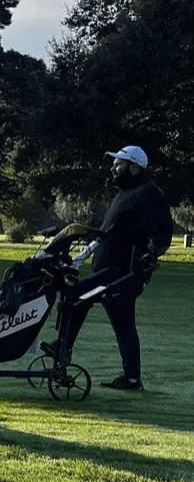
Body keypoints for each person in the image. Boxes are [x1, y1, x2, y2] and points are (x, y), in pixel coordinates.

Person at [48, 146, 172, 391]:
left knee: (77, 295)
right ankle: (132, 379)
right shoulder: (125, 194)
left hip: (123, 273)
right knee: (123, 324)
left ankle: (63, 348)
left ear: (134, 167)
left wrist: (149, 257)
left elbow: (163, 232)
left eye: (118, 164)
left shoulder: (149, 193)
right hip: (109, 271)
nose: (113, 168)